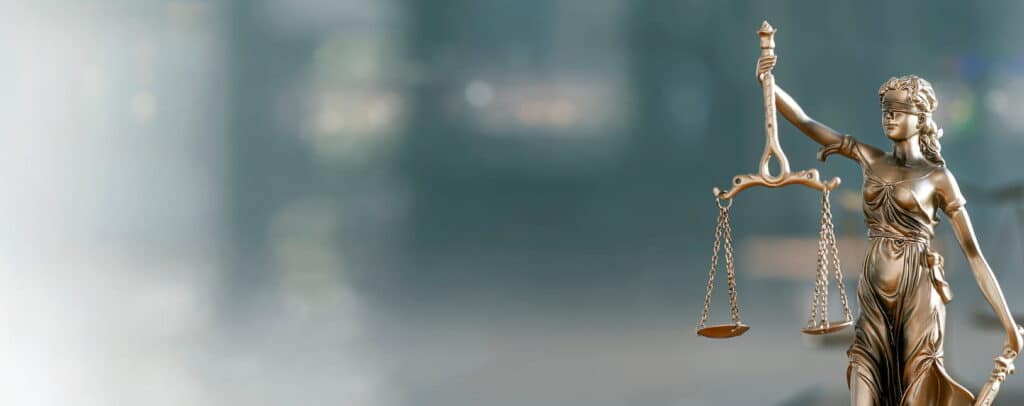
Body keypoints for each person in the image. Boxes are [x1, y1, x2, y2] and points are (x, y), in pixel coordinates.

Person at [756, 55, 1023, 405]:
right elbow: (806, 121)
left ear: (921, 119)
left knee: (915, 392)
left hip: (919, 292)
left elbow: (974, 255)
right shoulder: (871, 159)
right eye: (886, 111)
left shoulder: (938, 178)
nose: (890, 118)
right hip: (874, 291)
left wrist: (1008, 325)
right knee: (864, 376)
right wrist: (769, 83)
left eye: (898, 112)